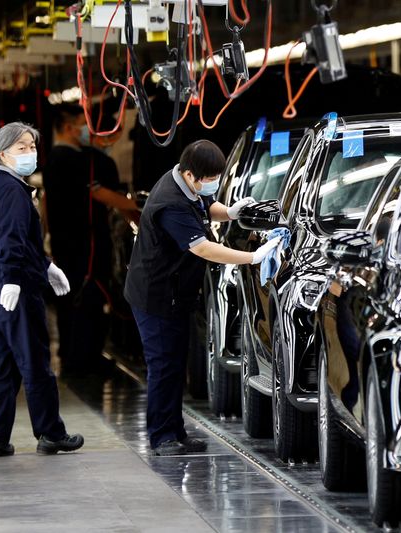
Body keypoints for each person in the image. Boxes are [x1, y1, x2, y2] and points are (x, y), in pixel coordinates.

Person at [124, 140, 282, 456]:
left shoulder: (181, 183)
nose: (211, 184)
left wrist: (230, 213)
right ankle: (162, 437)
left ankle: (175, 431)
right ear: (189, 174)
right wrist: (251, 258)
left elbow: (205, 204)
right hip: (156, 297)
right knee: (163, 367)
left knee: (174, 364)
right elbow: (203, 248)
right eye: (207, 179)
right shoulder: (170, 204)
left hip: (174, 295)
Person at [0, 122, 84, 458]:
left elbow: (21, 242)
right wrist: (12, 278)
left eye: (33, 146)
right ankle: (51, 433)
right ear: (3, 154)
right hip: (16, 292)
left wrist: (47, 266)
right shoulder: (11, 190)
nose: (30, 153)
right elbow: (10, 241)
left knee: (1, 365)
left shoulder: (0, 186)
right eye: (21, 147)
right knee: (35, 362)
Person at [43, 105, 139, 374]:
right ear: (68, 127)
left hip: (66, 243)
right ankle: (83, 360)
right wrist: (140, 209)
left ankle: (73, 355)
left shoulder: (54, 159)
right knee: (87, 300)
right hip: (84, 245)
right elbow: (100, 194)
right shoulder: (71, 161)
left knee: (70, 299)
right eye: (79, 123)